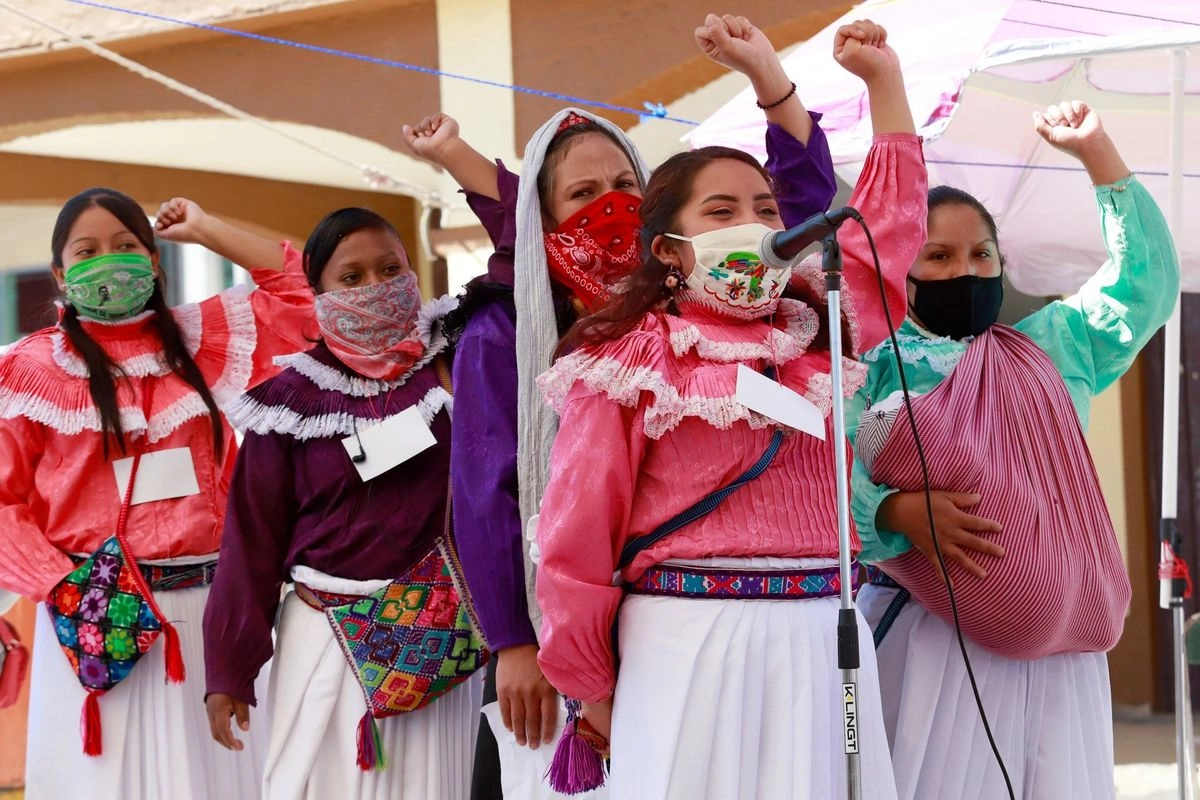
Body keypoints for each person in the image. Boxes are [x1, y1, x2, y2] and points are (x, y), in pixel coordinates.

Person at [403, 15, 838, 797]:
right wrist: (514, 640)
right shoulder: (507, 324)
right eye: (583, 194)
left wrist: (770, 82)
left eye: (625, 187)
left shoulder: (699, 298)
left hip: (678, 623)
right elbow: (486, 490)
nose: (610, 207)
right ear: (543, 221)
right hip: (556, 627)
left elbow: (795, 213)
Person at [532, 20, 925, 799]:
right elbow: (575, 538)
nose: (753, 224)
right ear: (668, 249)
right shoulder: (629, 360)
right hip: (686, 640)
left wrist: (885, 84)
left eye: (766, 209)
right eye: (720, 211)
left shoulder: (820, 334)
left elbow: (888, 232)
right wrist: (591, 686)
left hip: (824, 635)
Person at [849, 101, 1179, 799]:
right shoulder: (871, 361)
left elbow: (1145, 288)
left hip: (1063, 644)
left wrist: (1098, 155)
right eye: (938, 256)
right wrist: (893, 512)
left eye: (981, 254)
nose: (965, 270)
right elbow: (823, 475)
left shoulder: (1057, 344)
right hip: (931, 635)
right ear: (900, 271)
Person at [0, 188, 315, 798]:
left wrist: (206, 228)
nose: (107, 260)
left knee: (222, 780)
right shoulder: (29, 369)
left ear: (153, 259)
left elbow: (308, 296)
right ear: (60, 274)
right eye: (87, 251)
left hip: (214, 607)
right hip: (95, 616)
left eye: (125, 246)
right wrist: (69, 590)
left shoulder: (207, 337)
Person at [202, 206, 485, 799]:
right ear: (318, 292)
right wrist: (229, 668)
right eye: (351, 277)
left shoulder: (460, 363)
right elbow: (251, 540)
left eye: (390, 269)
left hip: (437, 641)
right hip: (325, 637)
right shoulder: (287, 403)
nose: (375, 286)